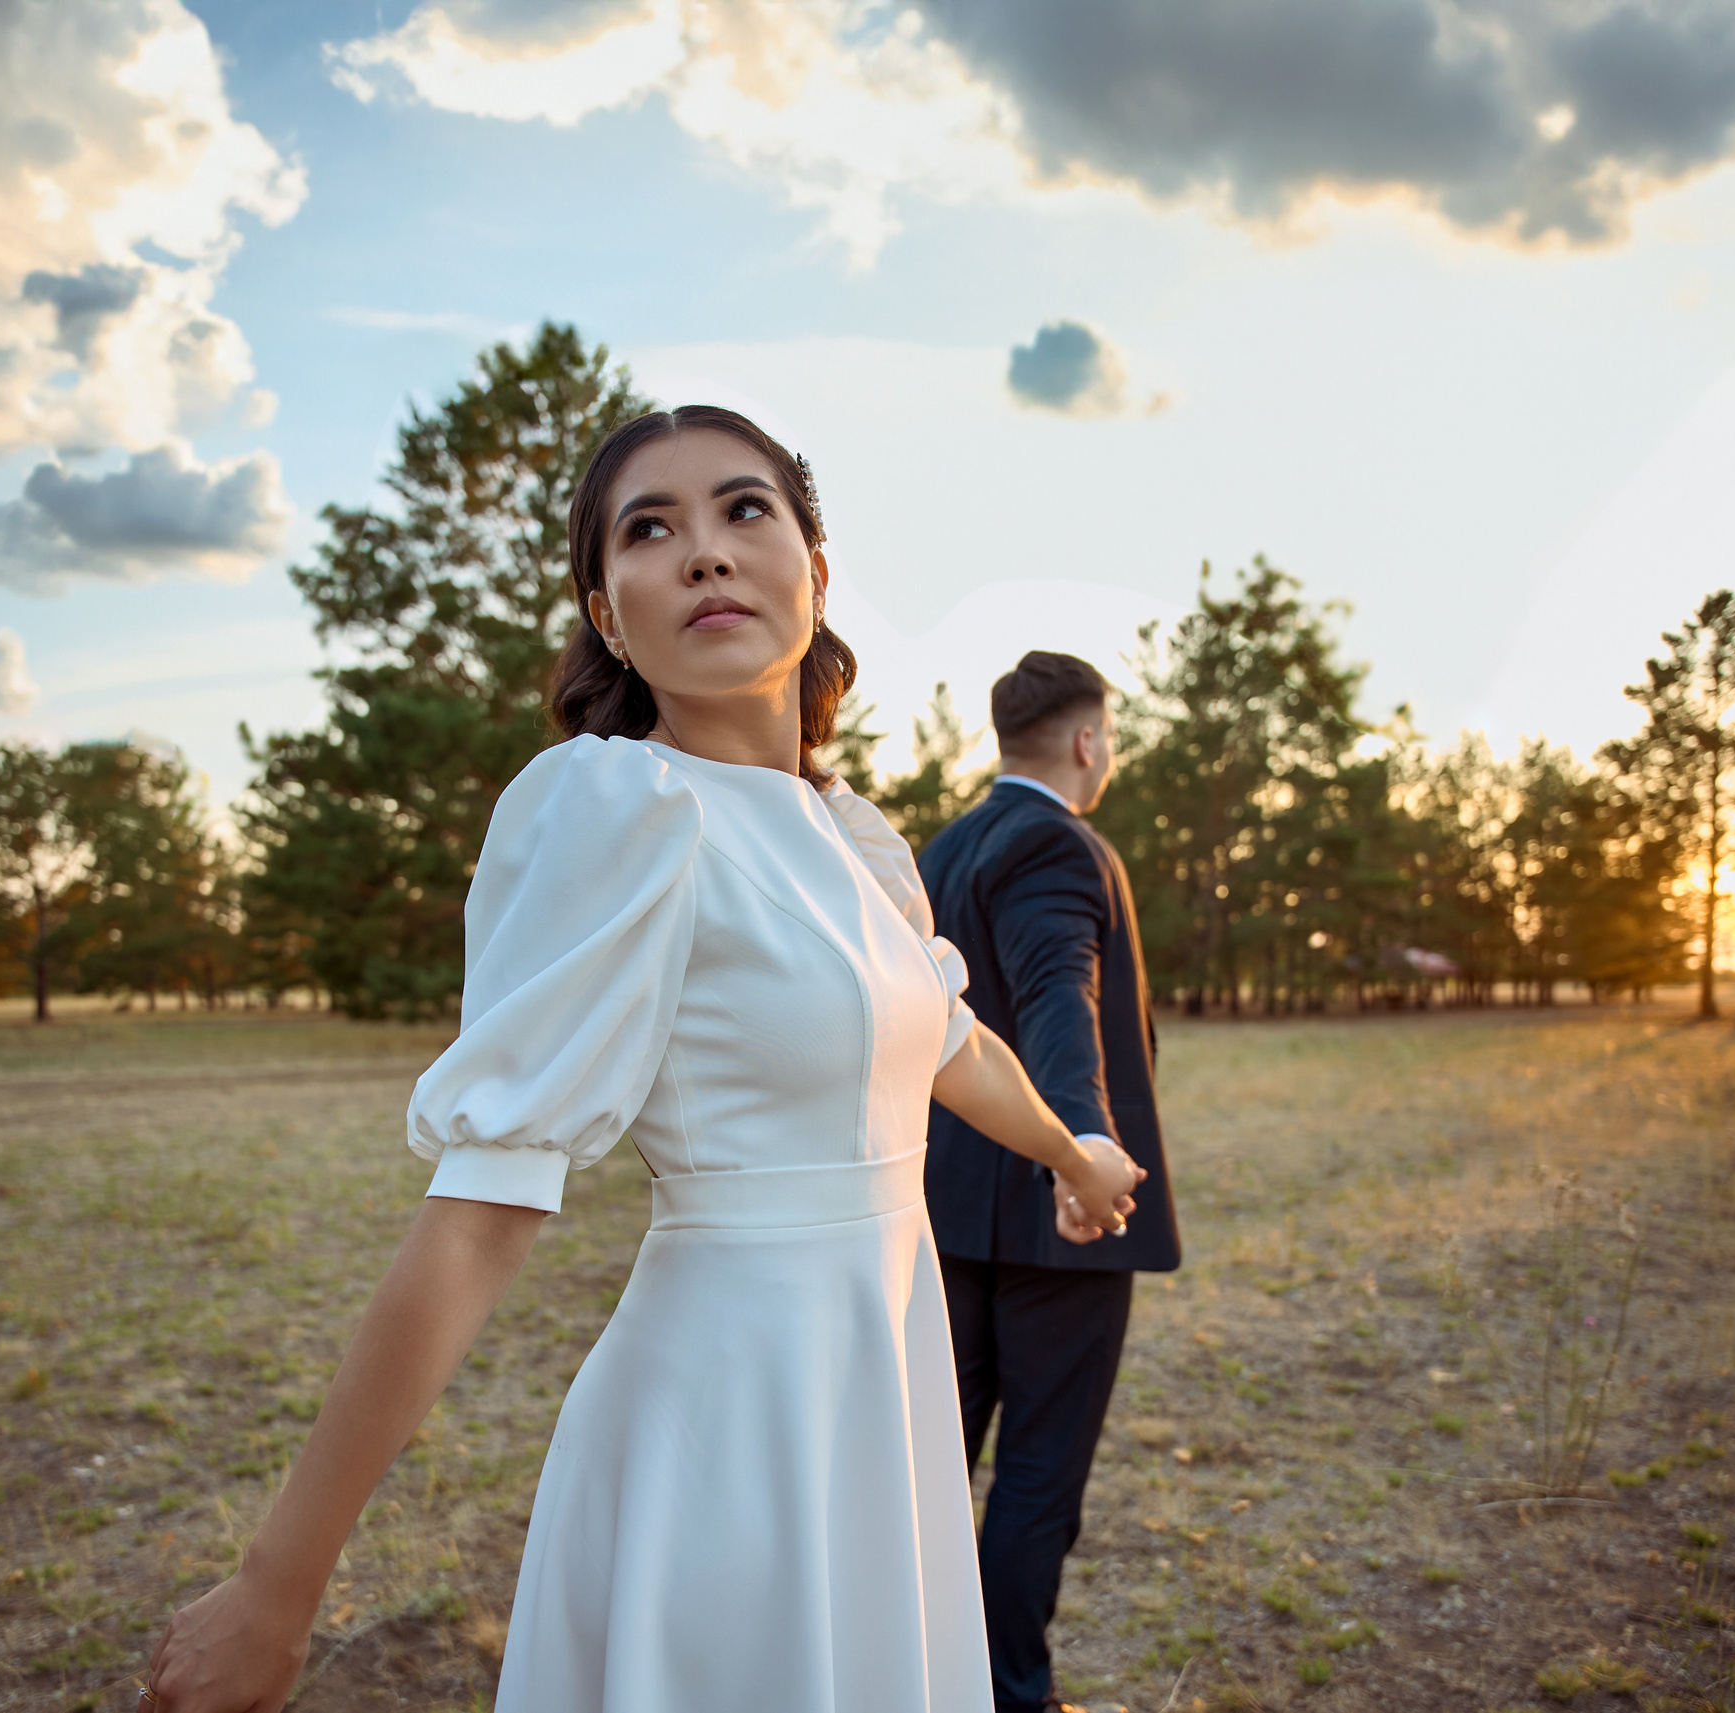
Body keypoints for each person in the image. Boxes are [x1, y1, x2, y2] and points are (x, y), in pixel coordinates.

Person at [138, 406, 1144, 1713]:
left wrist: (1072, 1154)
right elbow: (480, 1216)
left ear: (816, 571)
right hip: (722, 1431)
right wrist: (279, 1587)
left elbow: (948, 1042)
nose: (705, 554)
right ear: (610, 616)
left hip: (881, 1406)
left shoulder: (858, 838)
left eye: (743, 511)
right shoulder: (622, 809)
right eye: (649, 530)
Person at [920, 652, 1180, 1713]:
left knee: (934, 1470)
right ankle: (1006, 1698)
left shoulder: (942, 849)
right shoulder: (1054, 845)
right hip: (1058, 1220)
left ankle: (918, 1678)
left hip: (943, 1215)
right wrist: (1080, 1144)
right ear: (1085, 741)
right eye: (1108, 736)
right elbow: (1056, 990)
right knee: (1035, 1480)